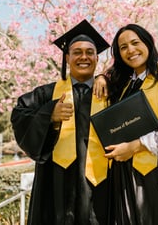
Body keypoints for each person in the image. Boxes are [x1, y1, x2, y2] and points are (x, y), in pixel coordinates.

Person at [11, 19, 111, 225]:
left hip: (102, 188)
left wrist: (107, 77)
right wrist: (49, 115)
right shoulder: (47, 93)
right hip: (55, 188)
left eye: (90, 52)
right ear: (67, 57)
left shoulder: (110, 92)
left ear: (97, 58)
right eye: (77, 52)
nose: (84, 57)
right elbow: (19, 114)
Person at [95, 23, 158, 224]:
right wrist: (101, 76)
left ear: (148, 43)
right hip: (125, 178)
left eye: (135, 43)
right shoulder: (123, 83)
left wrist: (134, 146)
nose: (130, 50)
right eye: (123, 47)